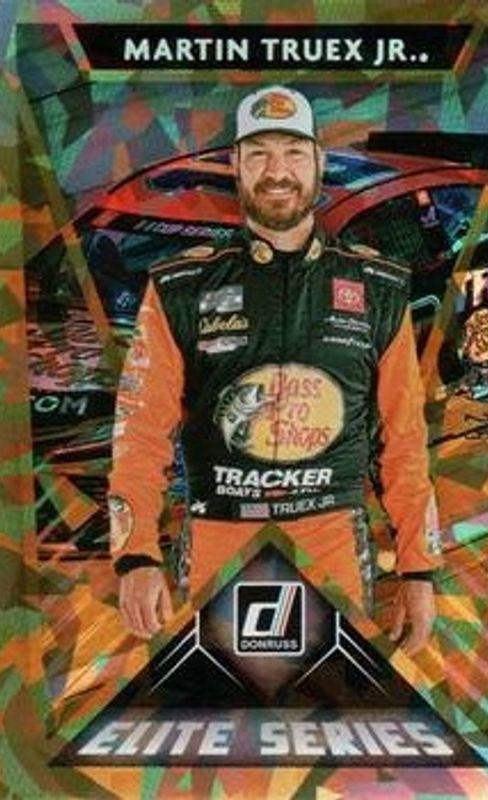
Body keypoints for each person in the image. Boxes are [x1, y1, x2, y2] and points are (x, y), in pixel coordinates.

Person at [108, 85, 442, 654]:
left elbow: (403, 439)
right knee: (221, 701)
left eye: (293, 153)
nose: (277, 172)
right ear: (236, 165)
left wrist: (418, 569)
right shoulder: (180, 287)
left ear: (318, 162)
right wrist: (136, 554)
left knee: (331, 702)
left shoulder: (378, 287)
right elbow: (140, 435)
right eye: (259, 154)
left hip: (333, 543)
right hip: (218, 542)